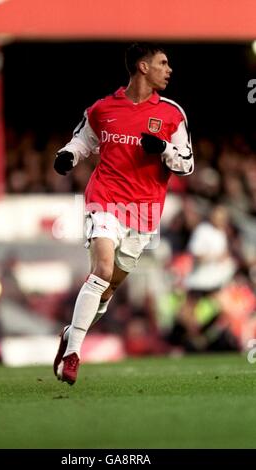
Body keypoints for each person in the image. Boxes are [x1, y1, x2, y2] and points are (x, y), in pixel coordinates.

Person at [53, 42, 194, 385]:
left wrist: (163, 149)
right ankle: (74, 355)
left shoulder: (173, 114)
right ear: (143, 67)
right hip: (105, 198)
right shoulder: (103, 108)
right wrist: (68, 155)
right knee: (101, 267)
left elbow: (187, 165)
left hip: (144, 211)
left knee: (107, 288)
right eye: (163, 62)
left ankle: (71, 334)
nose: (169, 69)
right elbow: (83, 141)